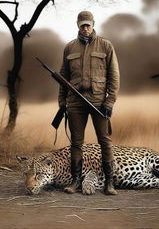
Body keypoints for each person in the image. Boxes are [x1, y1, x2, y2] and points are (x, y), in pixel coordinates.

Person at [58, 11, 120, 195]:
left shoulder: (106, 46)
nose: (85, 28)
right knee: (76, 143)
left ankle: (110, 183)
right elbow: (63, 77)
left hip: (99, 102)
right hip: (75, 103)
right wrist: (62, 101)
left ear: (93, 24)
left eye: (88, 24)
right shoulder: (69, 47)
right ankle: (76, 181)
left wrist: (110, 101)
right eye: (82, 25)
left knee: (105, 142)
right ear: (78, 25)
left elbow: (114, 77)